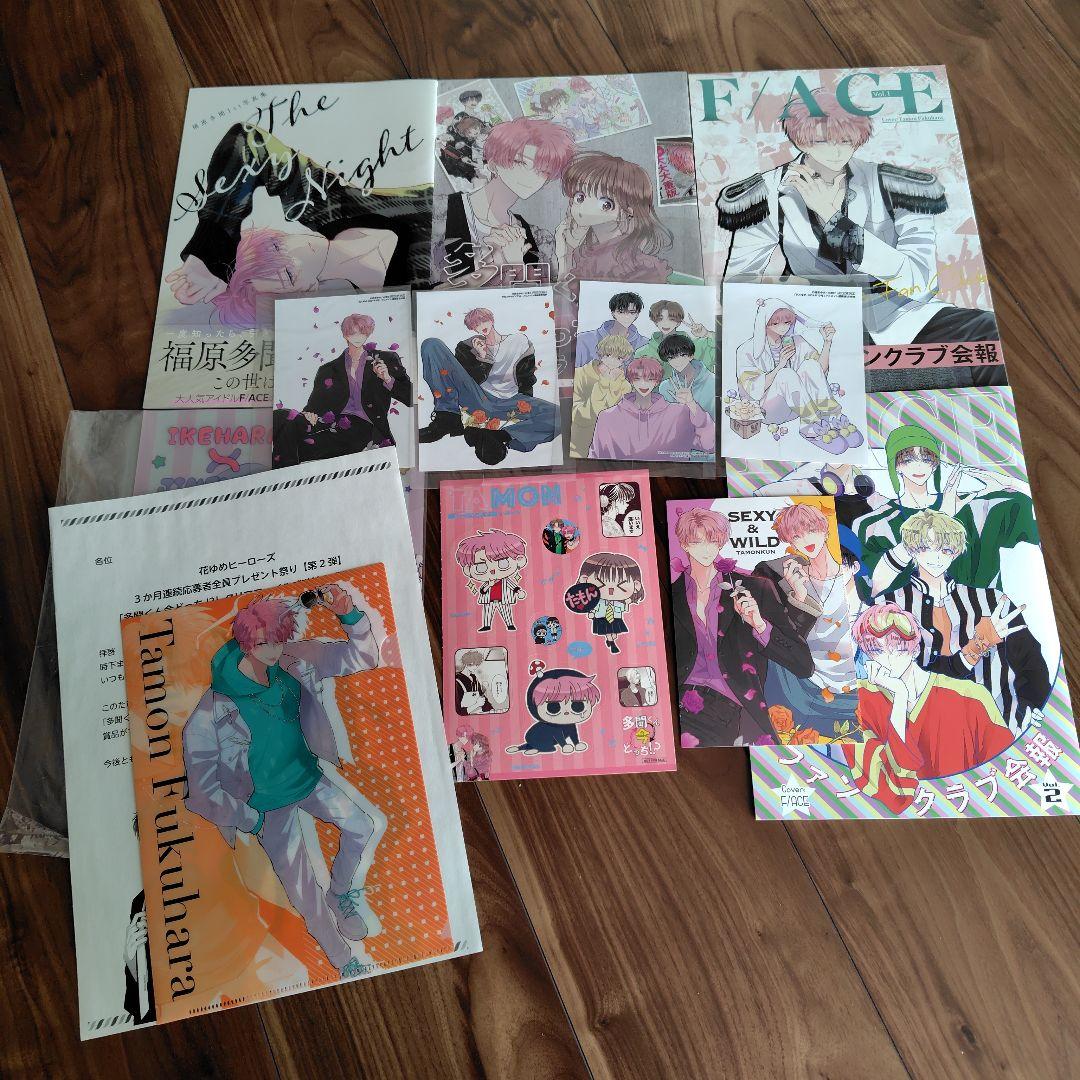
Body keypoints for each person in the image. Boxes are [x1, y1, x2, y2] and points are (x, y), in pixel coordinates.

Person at [182, 585, 389, 979]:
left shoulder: (294, 660)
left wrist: (348, 614)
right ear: (244, 642)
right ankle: (343, 961)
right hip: (266, 807)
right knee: (303, 889)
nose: (273, 651)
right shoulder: (211, 710)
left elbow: (361, 656)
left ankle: (340, 893)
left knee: (362, 827)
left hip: (307, 777)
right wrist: (251, 820)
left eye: (278, 640)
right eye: (263, 643)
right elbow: (202, 792)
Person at [716, 89, 998, 346]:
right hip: (814, 323)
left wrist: (833, 218)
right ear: (800, 138)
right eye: (822, 140)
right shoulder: (765, 193)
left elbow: (922, 282)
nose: (837, 150)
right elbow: (737, 287)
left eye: (846, 140)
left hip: (902, 318)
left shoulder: (898, 187)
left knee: (986, 329)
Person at [166, 124, 430, 328]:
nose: (294, 252)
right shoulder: (398, 306)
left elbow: (248, 143)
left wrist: (211, 247)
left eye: (276, 245)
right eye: (287, 274)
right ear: (304, 292)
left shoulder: (329, 205)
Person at [878, 509, 1050, 732]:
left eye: (945, 549)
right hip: (923, 729)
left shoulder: (992, 600)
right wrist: (978, 644)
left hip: (997, 723)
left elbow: (1031, 663)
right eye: (926, 547)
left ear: (956, 552)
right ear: (911, 549)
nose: (937, 557)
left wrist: (1032, 707)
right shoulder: (889, 605)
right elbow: (906, 671)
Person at [842, 603, 1015, 813]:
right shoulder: (855, 703)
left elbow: (1006, 783)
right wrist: (899, 700)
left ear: (914, 649)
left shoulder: (972, 698)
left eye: (896, 646)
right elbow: (894, 795)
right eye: (876, 650)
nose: (886, 659)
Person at [670, 507, 813, 746]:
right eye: (697, 542)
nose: (706, 549)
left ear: (721, 542)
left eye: (713, 541)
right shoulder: (670, 596)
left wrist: (759, 624)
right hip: (677, 703)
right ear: (684, 544)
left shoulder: (755, 589)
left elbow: (803, 664)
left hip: (728, 708)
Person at [856, 423, 1038, 595]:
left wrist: (1008, 482)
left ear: (935, 463)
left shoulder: (967, 507)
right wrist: (941, 516)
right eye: (908, 459)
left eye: (926, 458)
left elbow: (1024, 505)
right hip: (910, 614)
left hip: (975, 610)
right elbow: (875, 587)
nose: (919, 465)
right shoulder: (876, 523)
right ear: (895, 464)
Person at [754, 503, 861, 739]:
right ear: (790, 543)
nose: (806, 540)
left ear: (825, 530)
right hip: (807, 682)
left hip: (852, 676)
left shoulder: (850, 574)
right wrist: (799, 597)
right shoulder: (789, 582)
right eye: (796, 536)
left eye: (811, 530)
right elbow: (789, 644)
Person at [435, 117, 575, 283]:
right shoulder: (438, 212)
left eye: (543, 171)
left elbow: (547, 294)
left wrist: (517, 264)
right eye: (522, 163)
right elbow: (420, 289)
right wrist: (494, 264)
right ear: (494, 163)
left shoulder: (539, 239)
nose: (533, 177)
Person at [419, 307, 559, 465]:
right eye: (475, 325)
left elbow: (526, 378)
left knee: (559, 416)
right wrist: (483, 358)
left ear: (491, 320)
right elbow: (465, 381)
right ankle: (446, 418)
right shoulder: (467, 347)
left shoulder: (519, 341)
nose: (481, 326)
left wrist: (525, 411)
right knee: (431, 344)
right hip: (477, 397)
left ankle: (501, 435)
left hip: (510, 402)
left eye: (483, 321)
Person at [274, 313, 411, 466]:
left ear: (368, 333)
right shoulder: (328, 369)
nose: (358, 337)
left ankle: (281, 470)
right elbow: (314, 405)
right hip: (330, 425)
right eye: (353, 333)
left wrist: (387, 378)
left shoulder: (386, 359)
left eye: (362, 332)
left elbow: (410, 397)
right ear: (345, 335)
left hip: (365, 427)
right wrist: (308, 414)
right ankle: (283, 470)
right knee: (280, 417)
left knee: (291, 443)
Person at [734, 298, 862, 451]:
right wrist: (780, 365)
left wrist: (827, 342)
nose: (783, 327)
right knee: (785, 374)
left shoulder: (795, 341)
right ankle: (809, 426)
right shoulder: (747, 350)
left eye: (787, 322)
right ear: (764, 323)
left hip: (798, 407)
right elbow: (754, 391)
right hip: (768, 411)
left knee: (810, 365)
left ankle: (832, 416)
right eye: (775, 323)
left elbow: (819, 372)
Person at [555, 152, 673, 282]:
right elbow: (567, 291)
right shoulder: (587, 253)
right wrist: (565, 255)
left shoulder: (632, 264)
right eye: (580, 197)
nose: (585, 207)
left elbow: (570, 292)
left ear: (629, 211)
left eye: (605, 204)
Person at [589, 356, 714, 461]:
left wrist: (692, 404)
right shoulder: (608, 417)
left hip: (671, 480)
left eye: (650, 379)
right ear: (631, 381)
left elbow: (710, 445)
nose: (643, 384)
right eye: (637, 379)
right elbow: (595, 458)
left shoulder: (680, 413)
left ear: (657, 382)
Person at [505, 668, 601, 755]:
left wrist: (577, 743)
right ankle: (526, 748)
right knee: (542, 744)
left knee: (550, 742)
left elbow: (572, 732)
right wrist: (564, 745)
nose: (566, 713)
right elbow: (558, 735)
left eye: (578, 706)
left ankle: (524, 748)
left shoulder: (570, 724)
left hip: (546, 741)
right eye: (553, 707)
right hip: (534, 738)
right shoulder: (551, 726)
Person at [570, 335, 633, 458]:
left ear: (624, 360)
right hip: (578, 441)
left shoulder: (625, 386)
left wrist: (612, 384)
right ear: (601, 354)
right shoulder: (579, 374)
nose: (612, 361)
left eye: (619, 358)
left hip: (609, 445)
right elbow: (576, 413)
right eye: (608, 355)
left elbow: (618, 417)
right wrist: (603, 384)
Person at [455, 529, 528, 632]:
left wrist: (519, 591)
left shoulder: (505, 580)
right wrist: (489, 585)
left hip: (504, 599)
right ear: (468, 570)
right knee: (487, 612)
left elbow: (513, 586)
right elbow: (482, 591)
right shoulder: (487, 582)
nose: (492, 570)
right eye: (481, 567)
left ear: (519, 560)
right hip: (489, 600)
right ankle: (486, 625)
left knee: (506, 611)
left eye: (502, 563)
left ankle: (510, 624)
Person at [572, 552, 646, 655]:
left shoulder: (618, 603)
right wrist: (591, 613)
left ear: (636, 585)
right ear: (584, 580)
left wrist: (627, 603)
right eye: (601, 584)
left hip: (616, 619)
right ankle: (612, 644)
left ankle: (610, 640)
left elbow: (624, 609)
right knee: (609, 634)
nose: (611, 590)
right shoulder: (597, 601)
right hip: (601, 619)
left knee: (614, 634)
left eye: (621, 586)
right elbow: (593, 608)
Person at [635, 299, 715, 372]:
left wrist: (706, 333)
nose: (665, 323)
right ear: (655, 322)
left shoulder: (696, 345)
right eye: (660, 319)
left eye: (671, 319)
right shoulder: (643, 352)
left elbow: (719, 347)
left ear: (679, 322)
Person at [574, 291, 647, 365]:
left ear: (637, 314)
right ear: (613, 313)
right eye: (621, 312)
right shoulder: (583, 339)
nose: (626, 316)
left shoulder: (645, 344)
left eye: (632, 312)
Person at [656, 332, 716, 421]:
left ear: (691, 356)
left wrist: (691, 404)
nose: (677, 361)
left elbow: (717, 420)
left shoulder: (712, 382)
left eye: (682, 355)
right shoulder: (666, 387)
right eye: (671, 357)